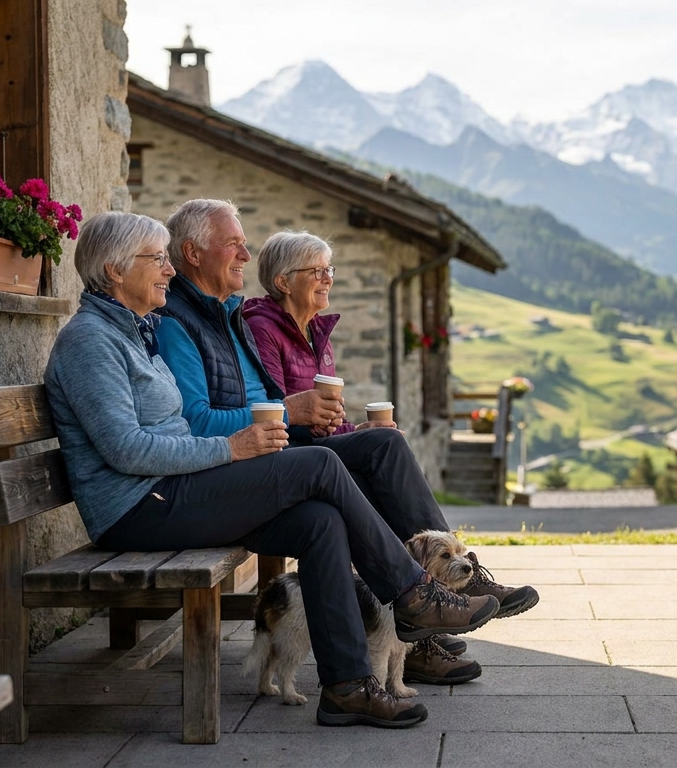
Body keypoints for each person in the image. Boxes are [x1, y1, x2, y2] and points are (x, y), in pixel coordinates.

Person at [43, 211, 500, 729]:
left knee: (319, 522)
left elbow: (168, 432)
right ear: (113, 269)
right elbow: (126, 450)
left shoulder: (132, 332)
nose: (168, 269)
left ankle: (348, 685)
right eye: (156, 258)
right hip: (138, 507)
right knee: (320, 465)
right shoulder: (90, 341)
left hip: (172, 491)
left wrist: (230, 449)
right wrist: (232, 449)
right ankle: (415, 594)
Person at [155, 200, 539, 686]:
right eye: (234, 244)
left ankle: (405, 630)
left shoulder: (228, 315)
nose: (245, 255)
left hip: (268, 455)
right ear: (193, 252)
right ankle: (420, 605)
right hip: (242, 466)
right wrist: (299, 416)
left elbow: (271, 406)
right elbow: (209, 419)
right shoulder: (207, 322)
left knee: (381, 448)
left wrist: (333, 429)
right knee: (371, 459)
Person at [242, 231, 367, 435]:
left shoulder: (316, 331)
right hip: (293, 446)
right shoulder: (262, 329)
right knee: (386, 443)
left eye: (328, 270)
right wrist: (314, 426)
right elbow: (274, 410)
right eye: (317, 271)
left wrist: (358, 429)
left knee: (385, 435)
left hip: (319, 443)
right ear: (284, 283)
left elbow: (329, 419)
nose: (327, 279)